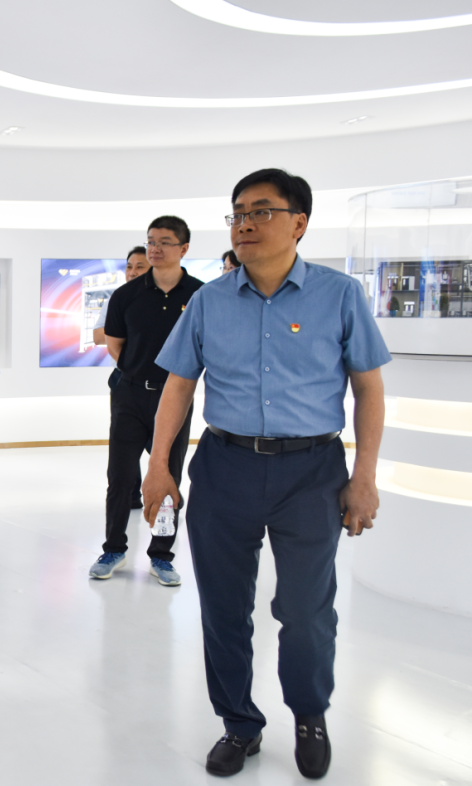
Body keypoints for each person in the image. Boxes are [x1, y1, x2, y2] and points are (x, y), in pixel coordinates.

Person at [143, 169, 390, 779]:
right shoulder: (210, 300)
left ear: (299, 223)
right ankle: (239, 723)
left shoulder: (339, 295)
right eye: (238, 214)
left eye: (261, 211)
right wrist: (159, 466)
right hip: (224, 466)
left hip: (312, 471)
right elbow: (179, 385)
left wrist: (364, 476)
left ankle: (309, 713)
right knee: (223, 607)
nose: (245, 224)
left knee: (306, 609)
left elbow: (368, 388)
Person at [89, 220, 201, 585]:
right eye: (151, 241)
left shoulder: (200, 295)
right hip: (130, 395)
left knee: (168, 476)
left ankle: (162, 555)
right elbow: (115, 345)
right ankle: (113, 548)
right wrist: (137, 371)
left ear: (183, 248)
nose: (155, 248)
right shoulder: (127, 295)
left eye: (165, 242)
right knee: (120, 476)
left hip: (175, 398)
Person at [93, 246, 149, 508]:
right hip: (123, 379)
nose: (132, 272)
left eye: (140, 266)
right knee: (125, 443)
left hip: (161, 382)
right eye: (129, 266)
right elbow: (97, 336)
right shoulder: (118, 298)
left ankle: (164, 495)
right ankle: (130, 495)